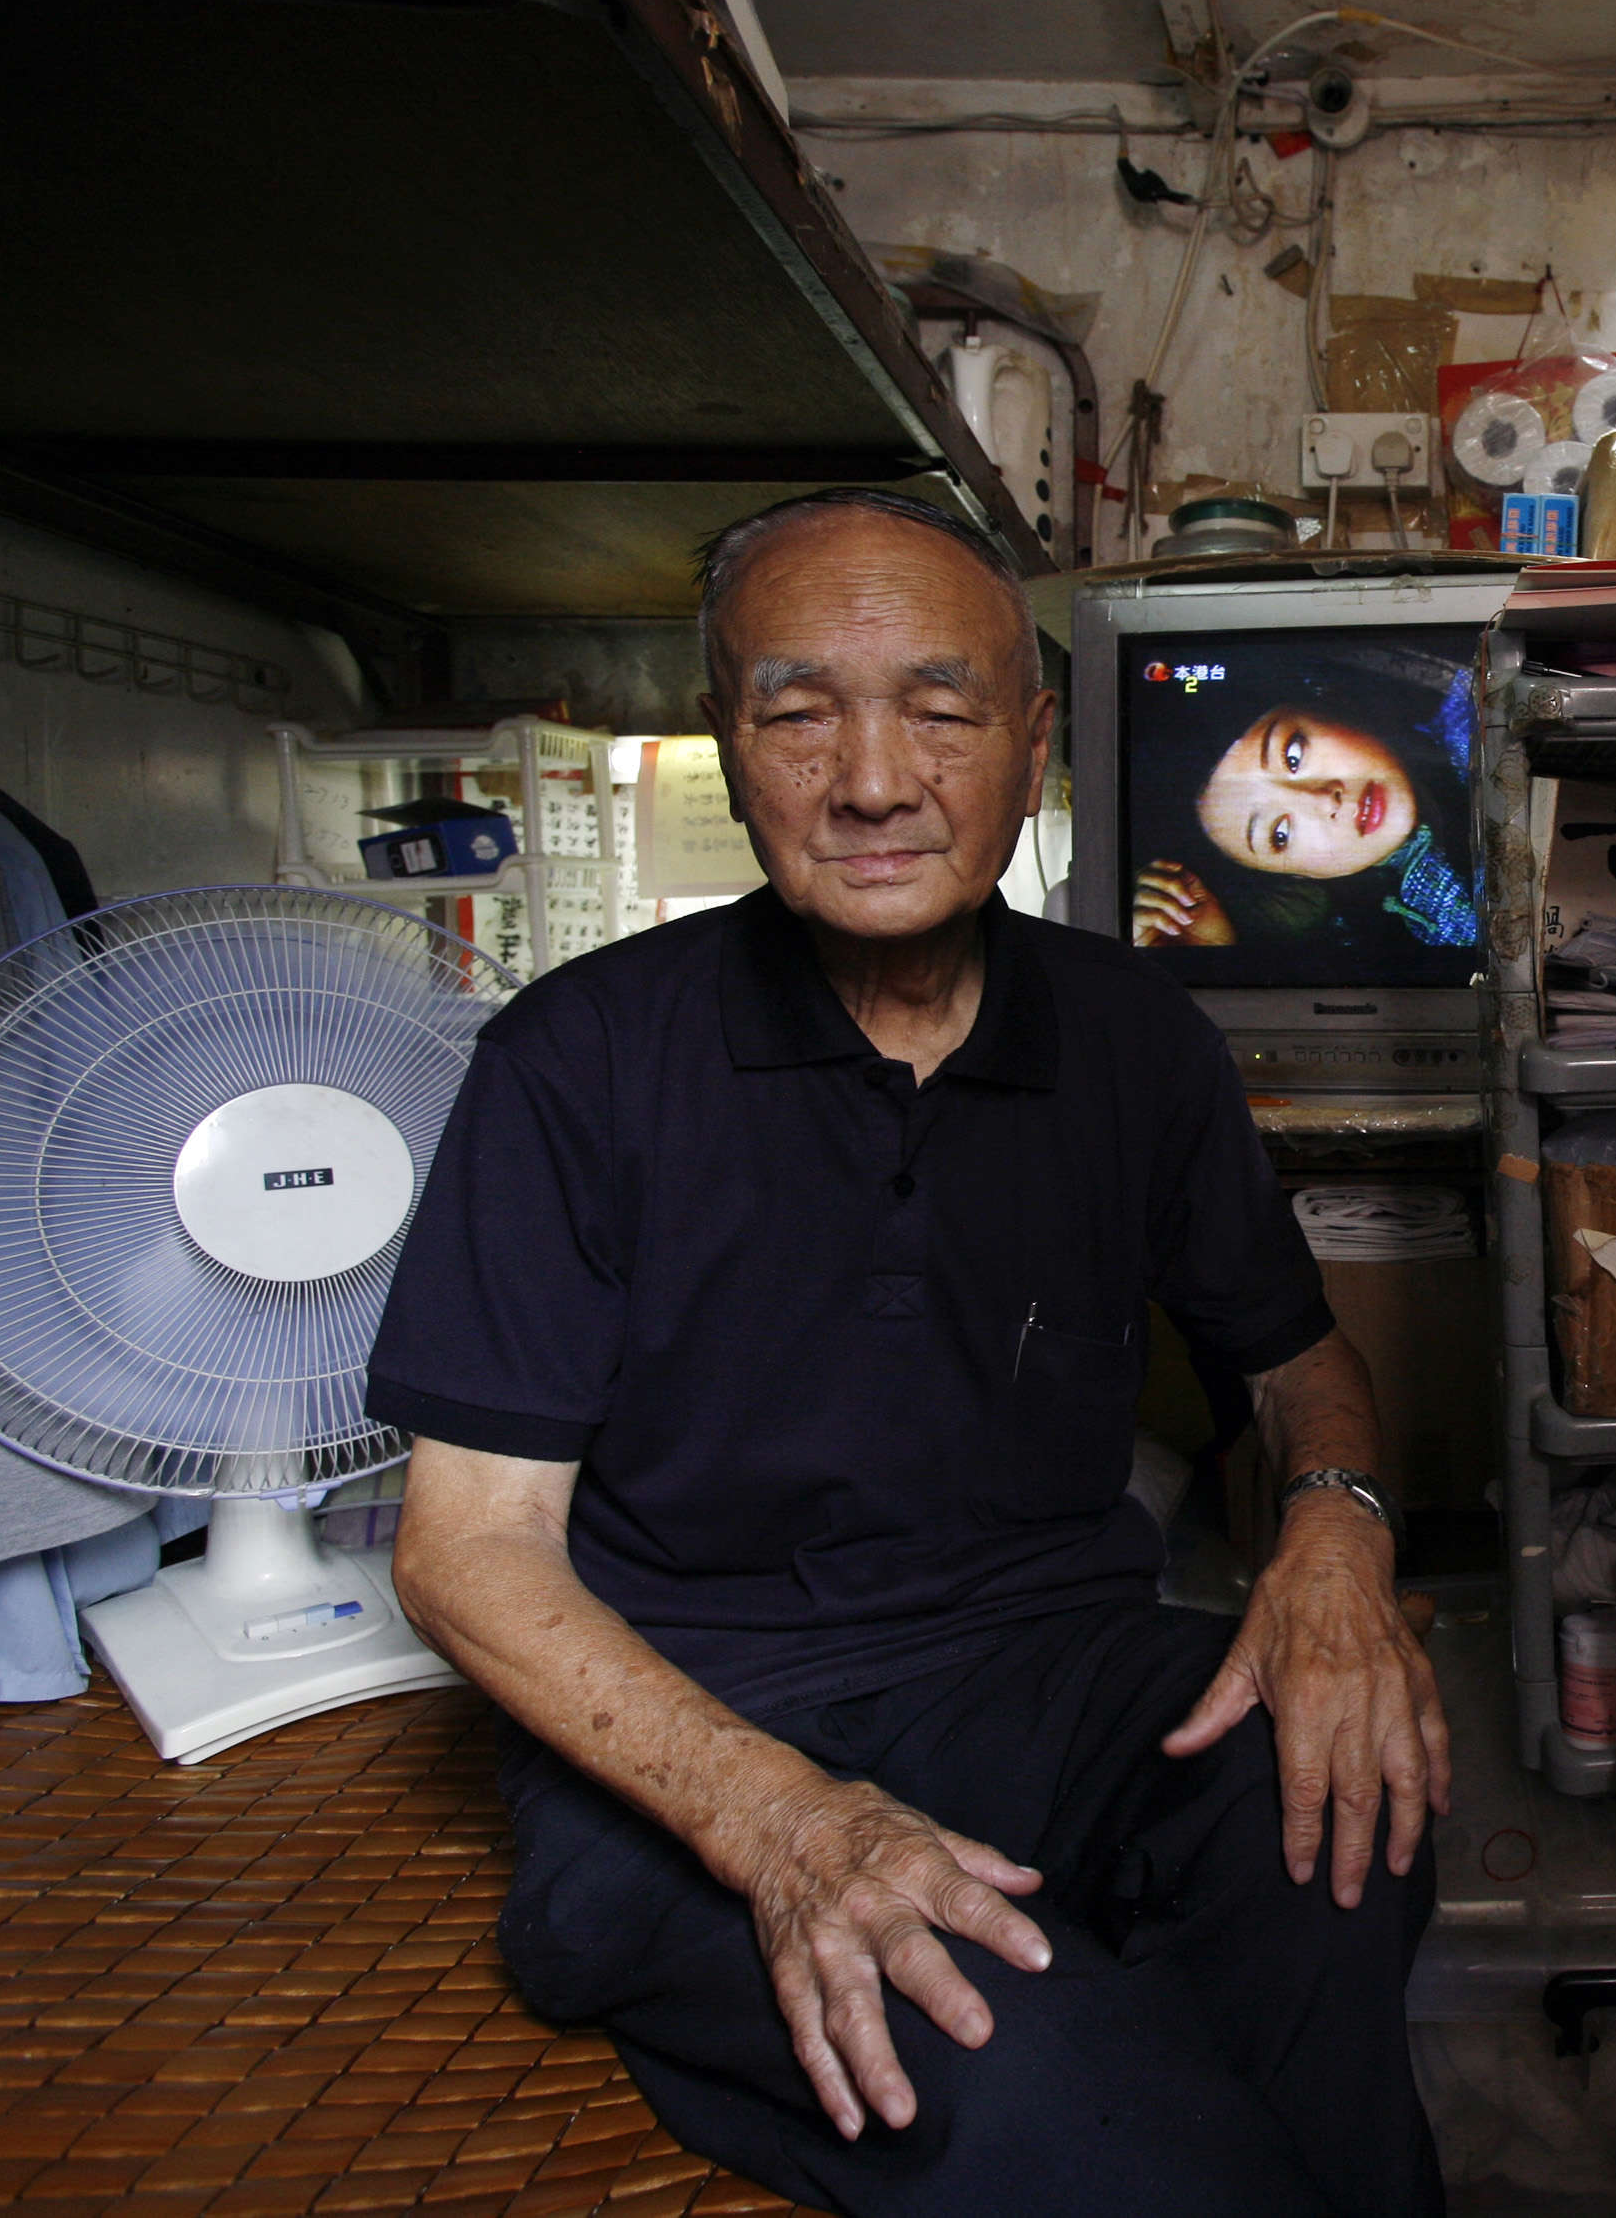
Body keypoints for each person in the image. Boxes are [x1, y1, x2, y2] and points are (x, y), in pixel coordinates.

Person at [373, 487, 1449, 2217]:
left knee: (1330, 1820)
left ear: (1033, 745)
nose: (874, 780)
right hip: (699, 1728)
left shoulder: (1133, 1040)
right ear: (732, 748)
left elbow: (1298, 1370)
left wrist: (1335, 1525)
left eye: (941, 709)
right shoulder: (580, 1059)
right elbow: (463, 1552)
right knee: (1051, 2086)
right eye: (800, 710)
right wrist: (787, 1820)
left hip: (1051, 1668)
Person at [1128, 655, 1478, 954]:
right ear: (1296, 875)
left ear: (1319, 702)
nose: (1322, 799)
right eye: (1279, 835)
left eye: (1293, 756)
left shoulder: (1478, 707)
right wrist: (1215, 957)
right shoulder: (1356, 936)